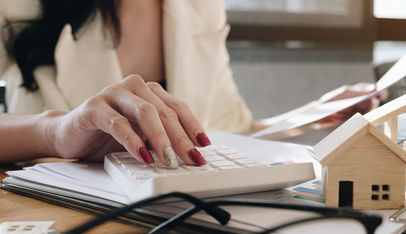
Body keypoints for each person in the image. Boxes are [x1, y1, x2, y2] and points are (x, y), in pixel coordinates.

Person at [0, 0, 383, 166]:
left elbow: (222, 133)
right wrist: (53, 131)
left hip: (178, 224)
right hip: (57, 228)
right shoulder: (18, 7)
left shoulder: (200, 8)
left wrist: (315, 114)